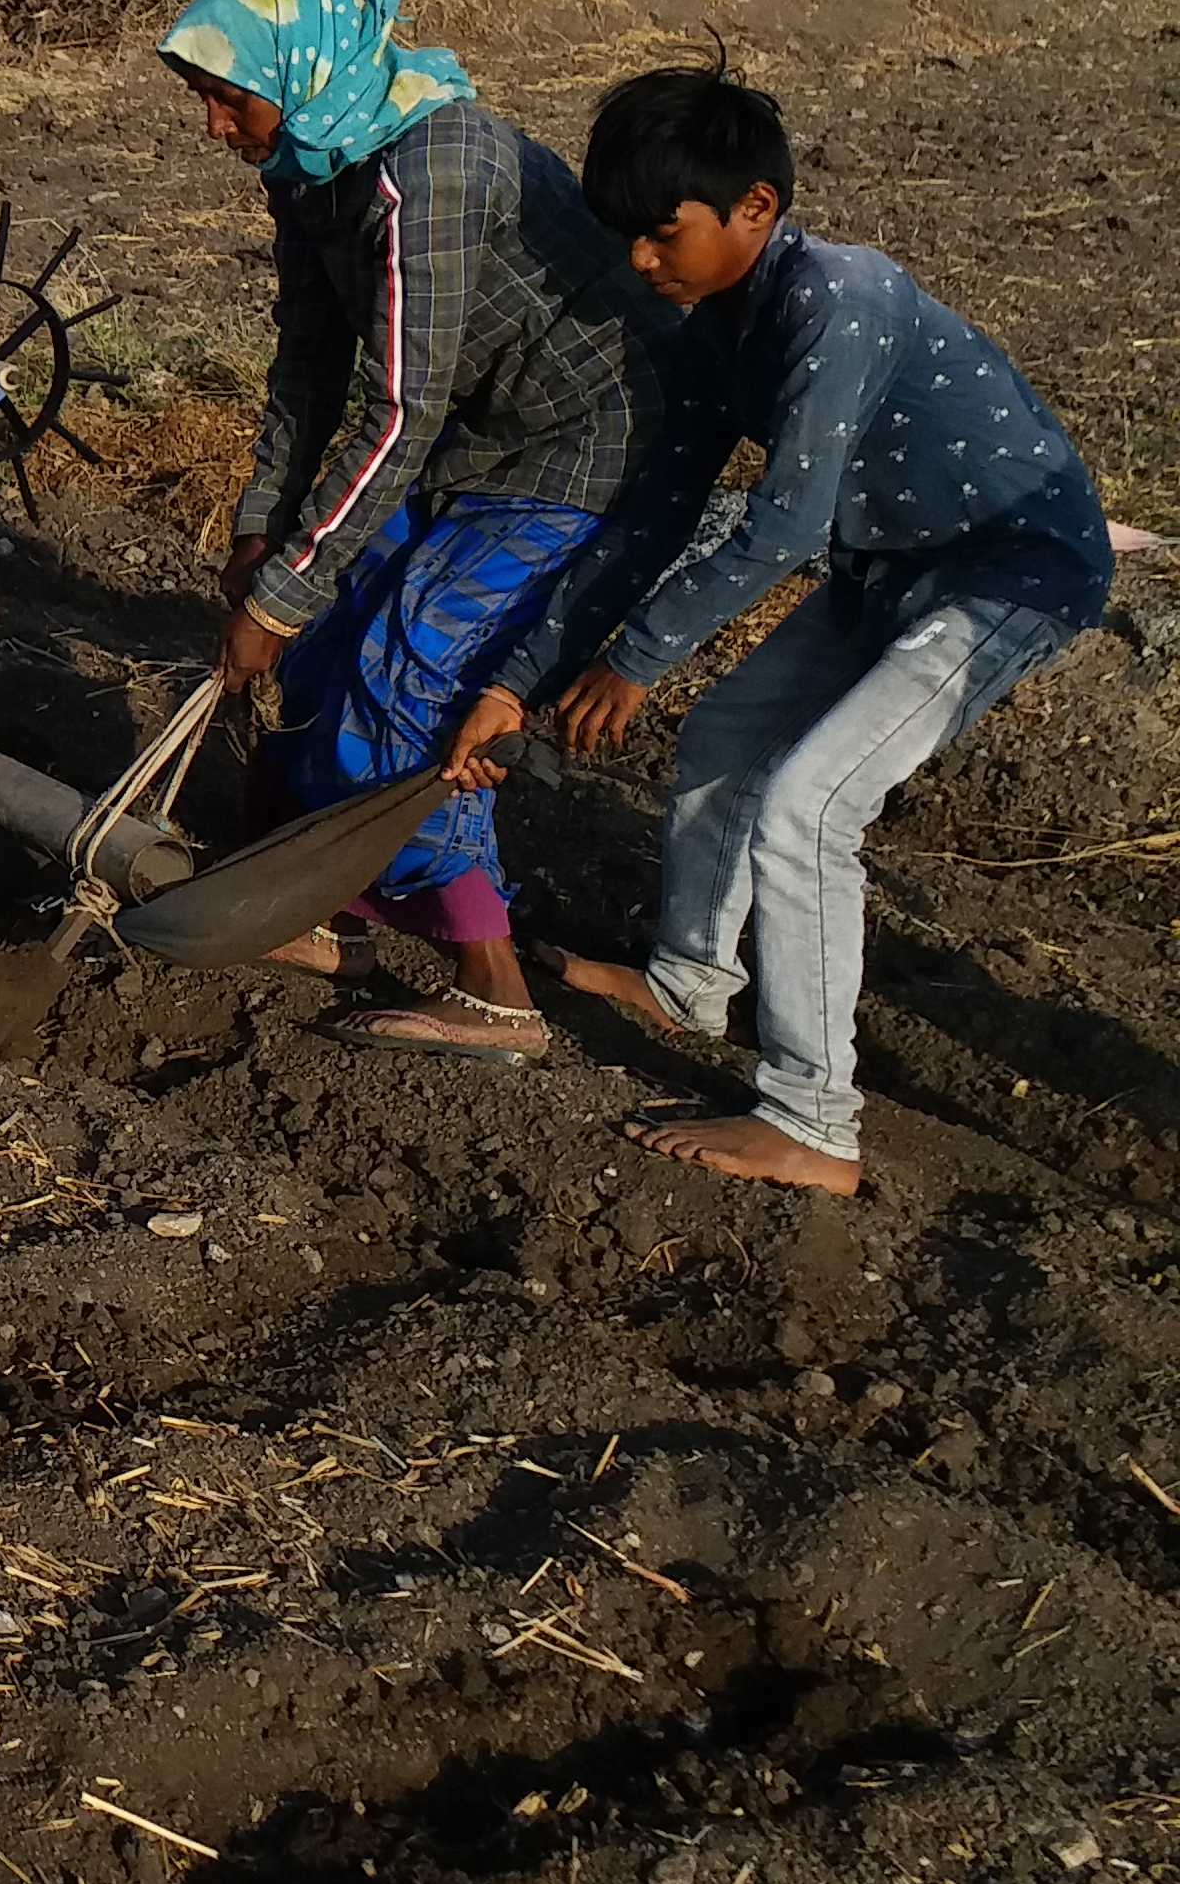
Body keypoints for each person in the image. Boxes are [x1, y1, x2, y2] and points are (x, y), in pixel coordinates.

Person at [444, 65, 1111, 1193]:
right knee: (724, 744)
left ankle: (812, 1119)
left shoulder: (837, 300)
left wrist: (637, 658)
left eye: (664, 235)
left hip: (1009, 573)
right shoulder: (719, 328)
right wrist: (523, 676)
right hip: (893, 567)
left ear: (756, 207)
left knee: (808, 809)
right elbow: (658, 510)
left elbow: (788, 524)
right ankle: (690, 982)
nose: (643, 265)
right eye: (631, 241)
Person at [162, 0, 654, 1057]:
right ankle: (317, 910)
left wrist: (275, 598)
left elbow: (396, 412)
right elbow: (306, 366)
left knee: (411, 674)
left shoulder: (432, 170)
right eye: (204, 101)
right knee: (326, 639)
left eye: (227, 100)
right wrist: (261, 536)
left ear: (299, 75)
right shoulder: (313, 166)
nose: (214, 129)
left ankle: (496, 988)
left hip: (569, 449)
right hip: (462, 439)